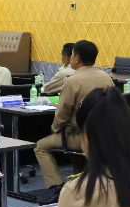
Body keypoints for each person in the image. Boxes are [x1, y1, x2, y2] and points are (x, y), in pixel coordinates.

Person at [35, 40, 114, 192]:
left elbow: (62, 114)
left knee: (40, 146)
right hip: (104, 134)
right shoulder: (106, 77)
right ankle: (80, 182)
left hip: (80, 135)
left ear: (76, 58)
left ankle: (56, 187)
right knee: (74, 150)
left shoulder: (72, 81)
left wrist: (54, 129)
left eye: (71, 55)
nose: (70, 58)